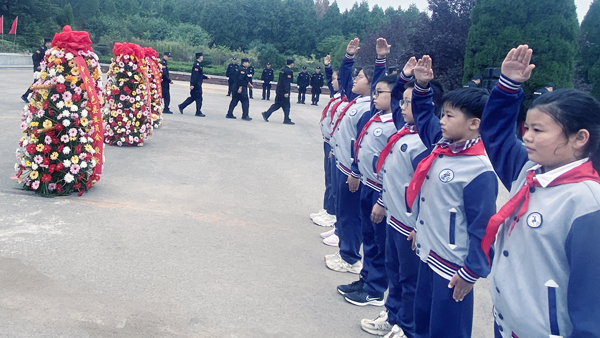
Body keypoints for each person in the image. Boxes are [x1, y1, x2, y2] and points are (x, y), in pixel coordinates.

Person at [480, 45, 600, 338]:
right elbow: (495, 134)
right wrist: (507, 87)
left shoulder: (587, 203)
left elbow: (591, 308)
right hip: (507, 324)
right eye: (527, 127)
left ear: (579, 138)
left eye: (538, 130)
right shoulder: (530, 171)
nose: (526, 137)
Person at [406, 55, 497, 338]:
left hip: (452, 267)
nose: (441, 121)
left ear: (474, 124)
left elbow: (483, 227)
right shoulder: (443, 147)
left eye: (448, 116)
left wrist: (471, 272)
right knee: (422, 321)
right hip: (428, 253)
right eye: (442, 114)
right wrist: (422, 86)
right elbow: (423, 116)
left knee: (447, 330)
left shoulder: (478, 169)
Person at [337, 38, 398, 308]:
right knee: (369, 238)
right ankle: (366, 279)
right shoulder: (376, 115)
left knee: (379, 243)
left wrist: (383, 198)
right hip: (367, 183)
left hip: (380, 189)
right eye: (375, 92)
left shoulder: (395, 123)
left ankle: (375, 289)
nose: (374, 95)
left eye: (381, 92)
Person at [324, 38, 376, 274]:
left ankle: (351, 256)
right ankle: (345, 249)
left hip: (351, 170)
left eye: (361, 77)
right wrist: (348, 58)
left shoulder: (368, 108)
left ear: (372, 84)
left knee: (350, 215)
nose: (355, 80)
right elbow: (343, 81)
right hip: (341, 161)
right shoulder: (357, 100)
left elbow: (362, 143)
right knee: (344, 211)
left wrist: (355, 171)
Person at [261, 59, 295, 125]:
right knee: (286, 105)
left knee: (279, 105)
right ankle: (286, 119)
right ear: (291, 64)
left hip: (279, 90)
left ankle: (267, 114)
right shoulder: (288, 71)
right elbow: (286, 82)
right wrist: (286, 92)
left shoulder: (282, 70)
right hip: (283, 92)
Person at [179, 52, 210, 117]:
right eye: (202, 56)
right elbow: (194, 75)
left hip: (197, 84)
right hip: (196, 85)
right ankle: (198, 112)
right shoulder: (196, 65)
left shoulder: (198, 64)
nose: (202, 57)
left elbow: (199, 75)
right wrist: (192, 84)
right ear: (200, 57)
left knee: (193, 97)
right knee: (199, 98)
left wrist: (206, 77)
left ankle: (182, 106)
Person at [21, 37, 52, 102]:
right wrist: (37, 65)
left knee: (40, 83)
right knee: (36, 83)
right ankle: (25, 96)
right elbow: (34, 56)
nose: (50, 44)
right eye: (49, 43)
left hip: (44, 68)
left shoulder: (49, 50)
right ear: (46, 43)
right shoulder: (41, 49)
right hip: (38, 69)